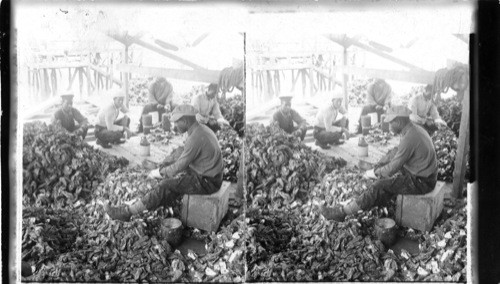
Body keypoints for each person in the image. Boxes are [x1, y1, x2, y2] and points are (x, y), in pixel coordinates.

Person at [104, 104, 224, 221]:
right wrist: (164, 165)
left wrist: (158, 173)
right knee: (175, 160)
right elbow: (183, 152)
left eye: (177, 122)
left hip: (208, 182)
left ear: (186, 121)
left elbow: (178, 167)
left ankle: (127, 212)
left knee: (165, 184)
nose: (175, 125)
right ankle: (157, 195)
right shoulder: (201, 129)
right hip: (209, 173)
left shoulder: (195, 138)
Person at [319, 105, 438, 222]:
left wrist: (374, 172)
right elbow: (396, 151)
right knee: (388, 164)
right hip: (422, 172)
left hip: (422, 182)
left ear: (400, 121)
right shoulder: (413, 129)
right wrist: (379, 164)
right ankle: (369, 198)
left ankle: (342, 212)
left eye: (391, 122)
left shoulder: (410, 138)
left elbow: (392, 168)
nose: (389, 126)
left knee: (379, 185)